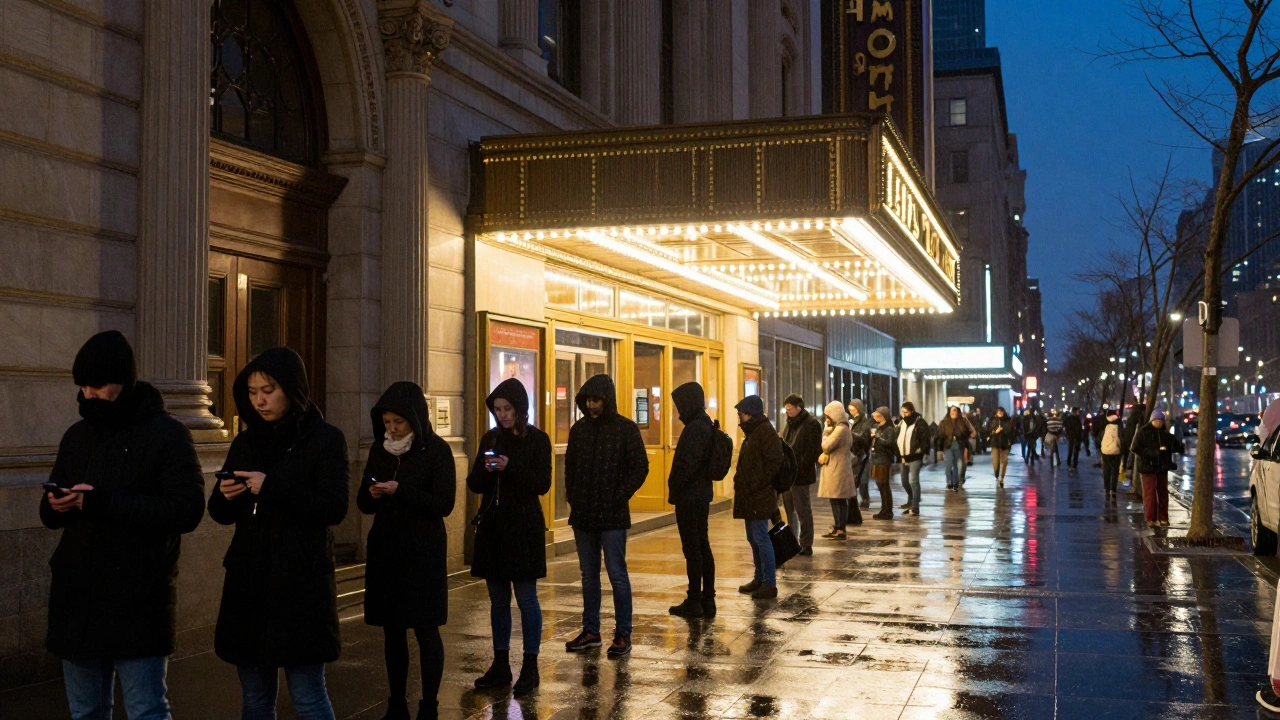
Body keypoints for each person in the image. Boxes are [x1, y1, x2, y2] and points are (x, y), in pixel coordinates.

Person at [40, 331, 205, 720]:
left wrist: (99, 501)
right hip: (78, 596)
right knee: (86, 712)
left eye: (98, 386)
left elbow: (186, 510)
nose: (88, 395)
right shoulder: (77, 436)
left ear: (124, 382)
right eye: (82, 387)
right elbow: (48, 514)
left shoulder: (167, 435)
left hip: (138, 597)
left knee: (146, 710)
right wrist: (57, 504)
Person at [208, 347, 350, 720]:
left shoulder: (326, 439)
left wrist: (270, 487)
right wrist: (225, 496)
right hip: (249, 585)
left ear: (292, 388)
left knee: (308, 696)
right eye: (253, 392)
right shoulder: (246, 441)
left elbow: (334, 507)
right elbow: (220, 514)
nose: (260, 400)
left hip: (300, 586)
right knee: (255, 701)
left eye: (268, 390)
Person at [357, 382, 456, 719]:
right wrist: (371, 495)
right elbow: (362, 501)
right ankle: (396, 703)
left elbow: (444, 504)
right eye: (387, 422)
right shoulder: (379, 451)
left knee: (426, 629)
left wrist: (401, 490)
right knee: (392, 630)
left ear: (415, 418)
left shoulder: (437, 451)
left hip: (423, 553)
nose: (392, 429)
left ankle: (429, 705)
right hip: (387, 550)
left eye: (398, 422)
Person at [468, 378, 551, 695]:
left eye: (507, 409)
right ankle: (500, 663)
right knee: (498, 602)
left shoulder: (537, 441)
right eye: (498, 409)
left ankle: (530, 665)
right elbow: (474, 482)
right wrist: (486, 470)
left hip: (524, 528)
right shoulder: (490, 438)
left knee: (527, 599)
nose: (502, 415)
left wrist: (509, 466)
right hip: (494, 529)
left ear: (520, 409)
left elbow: (542, 483)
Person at [564, 375, 648, 658]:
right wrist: (573, 497)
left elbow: (640, 467)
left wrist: (619, 495)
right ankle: (591, 631)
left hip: (612, 515)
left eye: (596, 399)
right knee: (589, 575)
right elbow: (570, 467)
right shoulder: (579, 430)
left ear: (606, 400)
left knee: (616, 574)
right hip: (584, 515)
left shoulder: (625, 429)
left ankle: (623, 633)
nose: (591, 405)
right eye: (587, 399)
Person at [667, 382, 719, 618]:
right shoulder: (704, 423)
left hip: (690, 496)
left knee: (694, 548)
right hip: (700, 493)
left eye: (680, 405)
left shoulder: (695, 428)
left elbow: (687, 465)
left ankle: (695, 599)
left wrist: (675, 488)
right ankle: (707, 598)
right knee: (702, 545)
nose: (678, 412)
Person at [733, 395, 783, 599]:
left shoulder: (765, 432)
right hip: (749, 494)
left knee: (761, 538)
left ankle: (769, 582)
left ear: (752, 414)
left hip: (759, 495)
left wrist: (759, 484)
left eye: (742, 413)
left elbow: (774, 462)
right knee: (752, 538)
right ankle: (759, 577)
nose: (739, 417)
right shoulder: (752, 432)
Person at [779, 394, 823, 555]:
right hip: (787, 473)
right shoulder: (790, 423)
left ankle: (806, 543)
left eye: (790, 409)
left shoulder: (811, 424)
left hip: (801, 474)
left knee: (803, 509)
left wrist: (800, 465)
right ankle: (793, 541)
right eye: (786, 409)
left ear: (799, 408)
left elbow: (813, 450)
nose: (788, 412)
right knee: (789, 509)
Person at [1131, 410, 1184, 526]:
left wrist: (1180, 444)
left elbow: (1176, 446)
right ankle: (1151, 518)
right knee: (1150, 494)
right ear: (1152, 420)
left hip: (1161, 468)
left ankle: (1163, 518)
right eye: (1156, 421)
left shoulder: (1165, 434)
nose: (1158, 423)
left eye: (1160, 421)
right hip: (1147, 468)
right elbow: (1135, 448)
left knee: (1162, 493)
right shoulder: (1143, 432)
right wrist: (1152, 453)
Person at [818, 401, 859, 539]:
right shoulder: (842, 428)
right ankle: (838, 526)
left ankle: (840, 527)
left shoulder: (840, 429)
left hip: (837, 468)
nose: (826, 419)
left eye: (828, 416)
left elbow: (826, 446)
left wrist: (825, 432)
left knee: (838, 498)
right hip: (837, 467)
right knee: (835, 499)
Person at [895, 402, 928, 515]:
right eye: (902, 411)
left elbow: (925, 438)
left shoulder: (919, 422)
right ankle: (911, 499)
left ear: (912, 411)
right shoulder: (901, 423)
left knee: (913, 480)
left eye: (906, 412)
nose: (903, 414)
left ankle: (915, 506)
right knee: (904, 481)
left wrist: (921, 450)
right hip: (903, 456)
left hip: (915, 456)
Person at [869, 407, 898, 519]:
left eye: (876, 413)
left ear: (882, 415)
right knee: (880, 485)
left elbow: (889, 443)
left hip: (883, 459)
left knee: (884, 485)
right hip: (876, 458)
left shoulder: (889, 429)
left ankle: (888, 511)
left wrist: (877, 437)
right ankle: (884, 509)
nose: (874, 415)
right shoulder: (878, 427)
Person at [936, 407, 973, 492]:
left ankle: (955, 482)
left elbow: (967, 434)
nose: (954, 412)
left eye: (955, 410)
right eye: (952, 410)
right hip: (948, 446)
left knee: (956, 465)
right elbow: (940, 436)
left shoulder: (962, 422)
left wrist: (962, 436)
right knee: (949, 464)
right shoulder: (944, 422)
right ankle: (949, 481)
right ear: (949, 412)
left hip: (958, 446)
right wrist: (939, 448)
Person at [848, 399, 872, 510]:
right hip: (853, 453)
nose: (852, 412)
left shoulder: (864, 422)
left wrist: (850, 433)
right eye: (850, 410)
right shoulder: (851, 421)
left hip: (861, 454)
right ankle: (854, 501)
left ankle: (865, 499)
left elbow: (863, 438)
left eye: (854, 410)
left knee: (862, 479)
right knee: (854, 479)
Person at [986, 407, 1015, 486]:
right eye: (998, 411)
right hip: (995, 443)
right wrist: (996, 431)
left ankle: (1001, 478)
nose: (1000, 413)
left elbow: (1011, 431)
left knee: (1004, 462)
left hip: (1005, 443)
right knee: (995, 462)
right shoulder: (992, 421)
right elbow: (988, 430)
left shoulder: (1007, 421)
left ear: (1004, 412)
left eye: (1001, 411)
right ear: (996, 413)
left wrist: (1003, 430)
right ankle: (996, 474)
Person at [1099, 409, 1123, 499]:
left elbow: (1099, 436)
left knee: (1106, 470)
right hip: (1116, 451)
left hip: (1105, 450)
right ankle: (1113, 489)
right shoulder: (1119, 424)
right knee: (1115, 470)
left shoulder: (1104, 423)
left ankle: (1107, 489)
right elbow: (1121, 437)